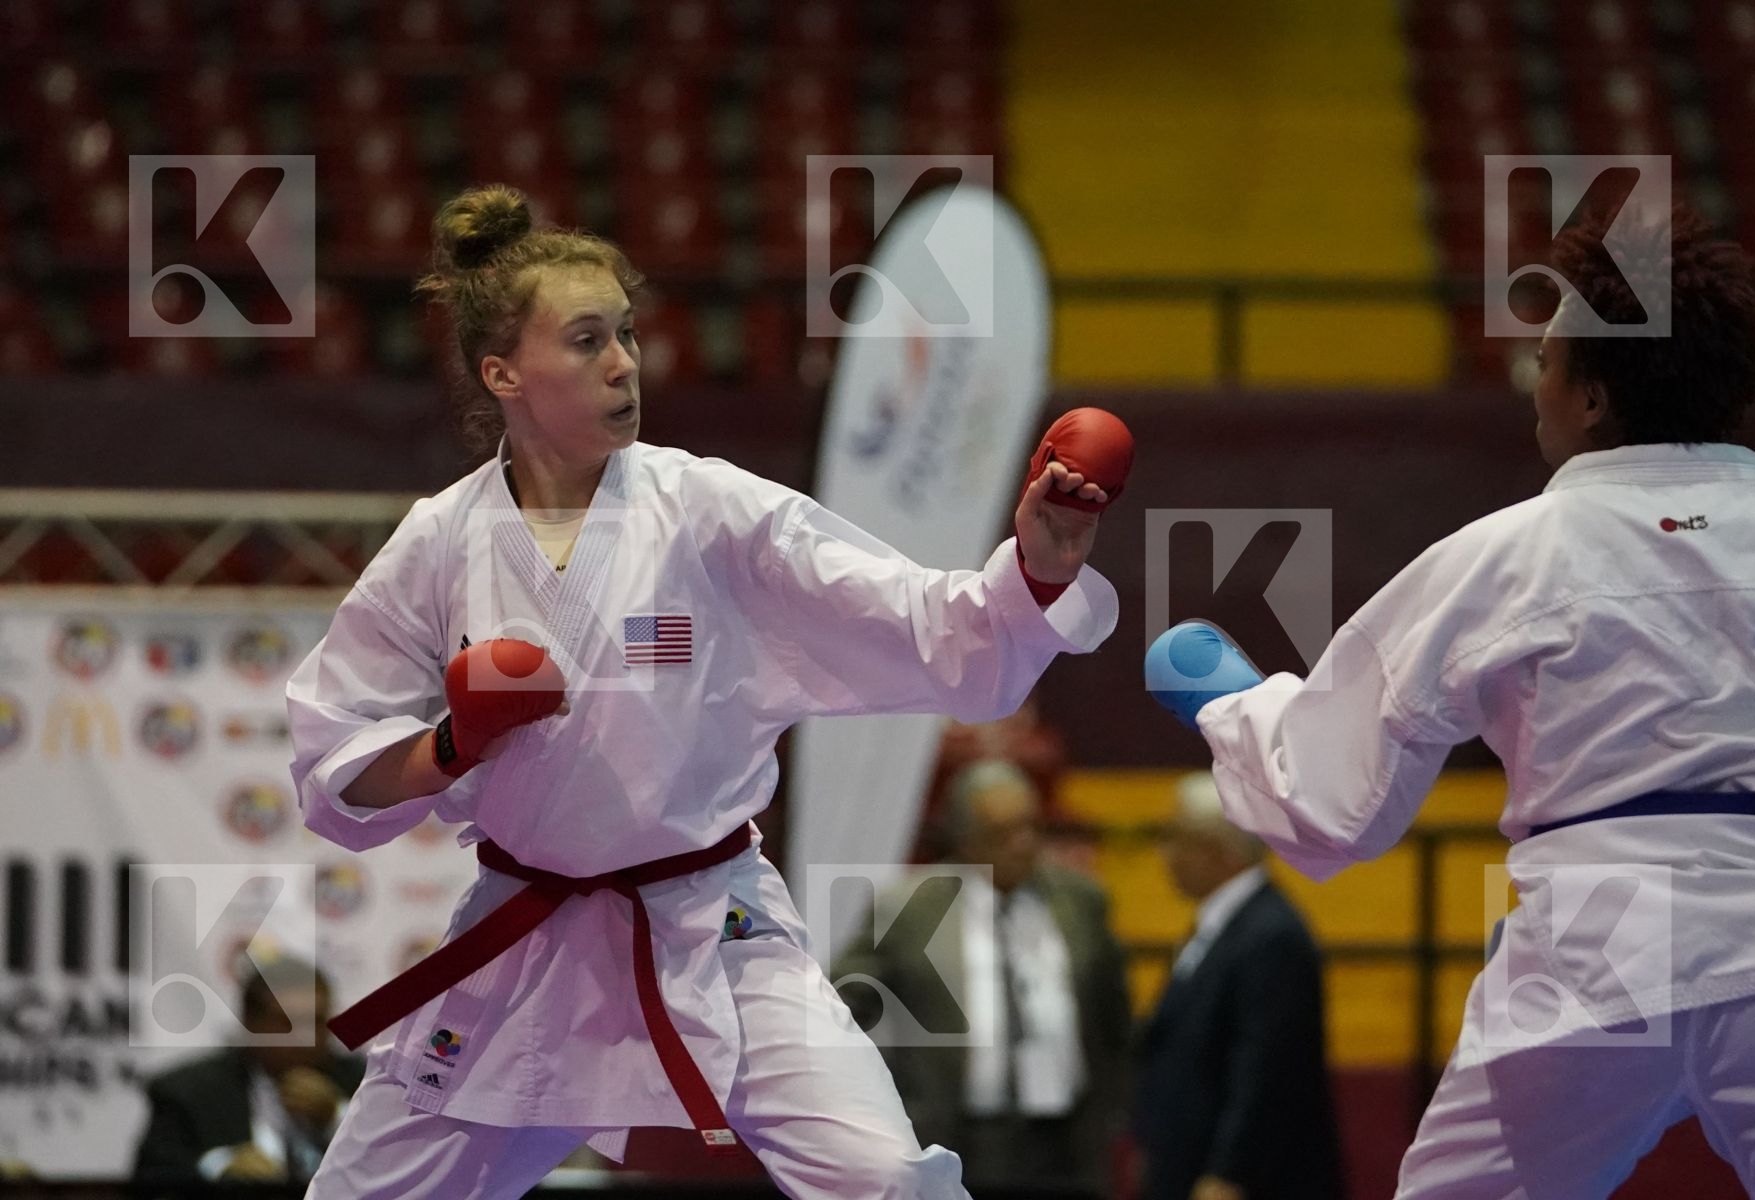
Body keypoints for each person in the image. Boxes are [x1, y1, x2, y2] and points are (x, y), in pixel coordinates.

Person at [285, 184, 1132, 1200]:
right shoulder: (441, 542)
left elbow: (916, 620)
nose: (623, 363)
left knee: (888, 1180)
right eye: (588, 340)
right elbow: (336, 776)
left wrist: (1033, 568)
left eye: (628, 336)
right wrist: (450, 748)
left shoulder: (708, 511)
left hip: (716, 928)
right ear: (501, 371)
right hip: (524, 942)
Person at [1147, 205, 1755, 1197]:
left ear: (1590, 398)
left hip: (1599, 938)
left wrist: (1231, 707)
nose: (1532, 384)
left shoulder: (1512, 553)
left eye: (1545, 361)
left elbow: (1336, 801)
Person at [835, 759, 1132, 1193]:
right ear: (964, 839)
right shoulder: (909, 908)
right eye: (1002, 834)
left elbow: (1114, 1017)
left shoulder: (1080, 900)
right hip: (953, 1137)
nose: (1022, 844)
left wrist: (1115, 1109)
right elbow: (842, 1004)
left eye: (1031, 828)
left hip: (1064, 1140)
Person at [1133, 772, 1341, 1200]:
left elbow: (1268, 1073)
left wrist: (1229, 1174)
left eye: (1175, 838)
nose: (1165, 854)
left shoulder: (1271, 936)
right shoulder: (1222, 926)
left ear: (1215, 850)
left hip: (1246, 1184)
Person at [133, 958, 363, 1185]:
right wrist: (221, 1169)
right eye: (287, 1022)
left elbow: (392, 1165)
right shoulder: (188, 1094)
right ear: (250, 1023)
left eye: (315, 1021)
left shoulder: (366, 1084)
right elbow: (152, 1178)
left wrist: (337, 1118)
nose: (305, 1038)